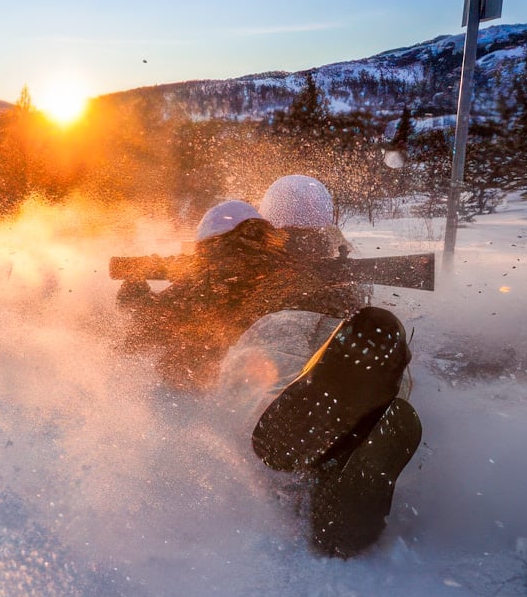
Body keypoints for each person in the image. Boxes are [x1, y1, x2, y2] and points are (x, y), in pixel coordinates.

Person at [119, 175, 422, 557]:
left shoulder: (221, 263)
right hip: (341, 330)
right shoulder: (331, 254)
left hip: (277, 329)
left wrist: (133, 293)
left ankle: (300, 477)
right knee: (350, 380)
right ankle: (364, 428)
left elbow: (151, 328)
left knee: (274, 390)